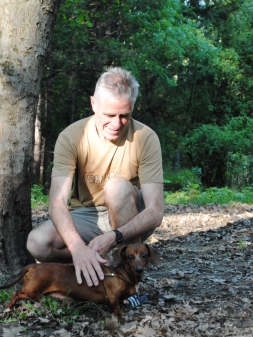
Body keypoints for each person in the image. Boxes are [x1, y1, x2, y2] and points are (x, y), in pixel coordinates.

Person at [26, 67, 164, 288]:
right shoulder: (72, 136)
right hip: (87, 215)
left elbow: (155, 211)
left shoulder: (145, 137)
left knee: (116, 188)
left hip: (128, 212)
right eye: (109, 115)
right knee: (37, 244)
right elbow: (57, 203)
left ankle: (129, 284)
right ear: (93, 104)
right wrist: (77, 248)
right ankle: (94, 262)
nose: (117, 124)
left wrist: (114, 237)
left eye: (124, 115)